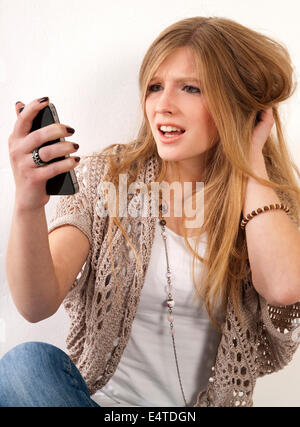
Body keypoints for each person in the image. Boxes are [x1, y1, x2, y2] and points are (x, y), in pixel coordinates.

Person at [2, 16, 300, 408]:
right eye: (155, 87)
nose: (163, 105)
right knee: (26, 367)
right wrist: (27, 203)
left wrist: (251, 162)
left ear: (238, 105)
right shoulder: (105, 179)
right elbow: (36, 303)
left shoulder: (270, 205)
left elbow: (284, 287)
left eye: (191, 88)